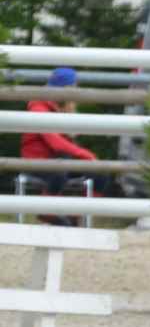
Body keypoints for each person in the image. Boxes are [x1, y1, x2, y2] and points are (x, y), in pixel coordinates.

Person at [20, 67, 99, 226]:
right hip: (37, 162)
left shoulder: (61, 107)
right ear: (66, 89)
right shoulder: (38, 108)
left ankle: (75, 214)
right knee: (61, 164)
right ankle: (46, 211)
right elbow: (56, 143)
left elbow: (69, 140)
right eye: (74, 87)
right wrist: (85, 154)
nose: (76, 91)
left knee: (100, 174)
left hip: (57, 160)